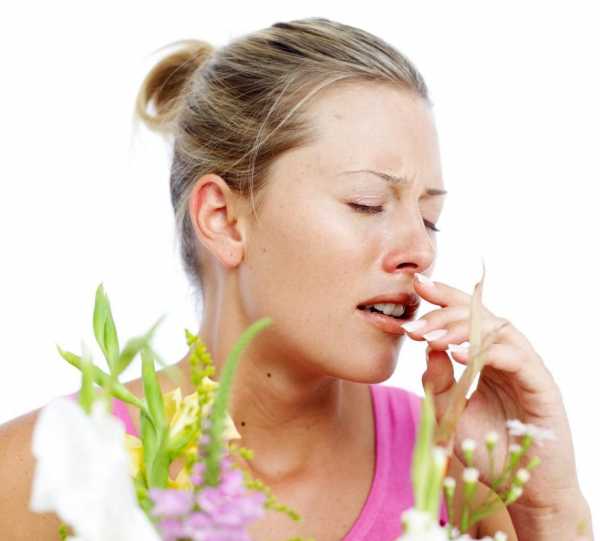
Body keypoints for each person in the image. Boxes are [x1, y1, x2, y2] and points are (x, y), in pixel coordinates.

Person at [0, 17, 593, 541]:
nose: (420, 250)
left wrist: (548, 508)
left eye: (429, 218)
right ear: (223, 218)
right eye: (366, 203)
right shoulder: (45, 472)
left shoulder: (461, 470)